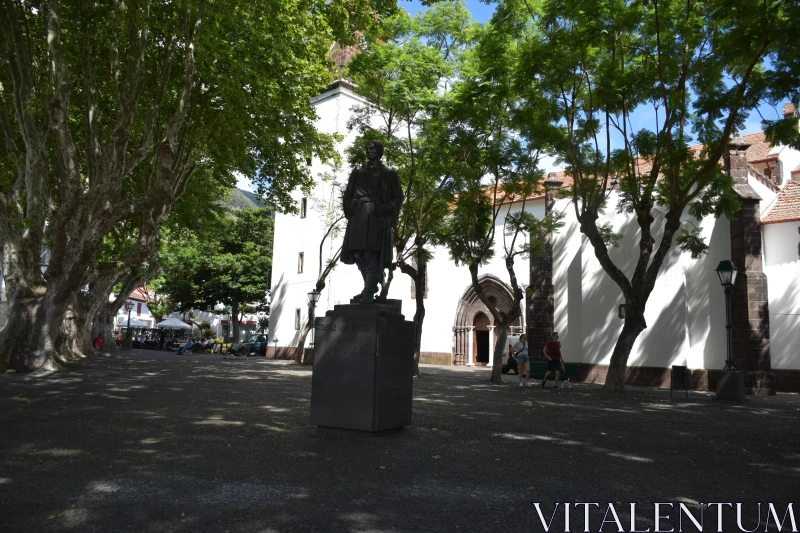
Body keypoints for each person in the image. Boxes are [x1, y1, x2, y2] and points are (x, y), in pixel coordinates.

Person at [340, 140, 404, 304]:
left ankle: (368, 291)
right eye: (367, 148)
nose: (369, 150)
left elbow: (398, 197)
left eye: (373, 148)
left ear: (380, 151)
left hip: (375, 215)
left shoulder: (389, 174)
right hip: (358, 215)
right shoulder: (358, 173)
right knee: (358, 254)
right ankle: (370, 286)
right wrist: (350, 205)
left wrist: (389, 207)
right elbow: (347, 194)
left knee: (370, 254)